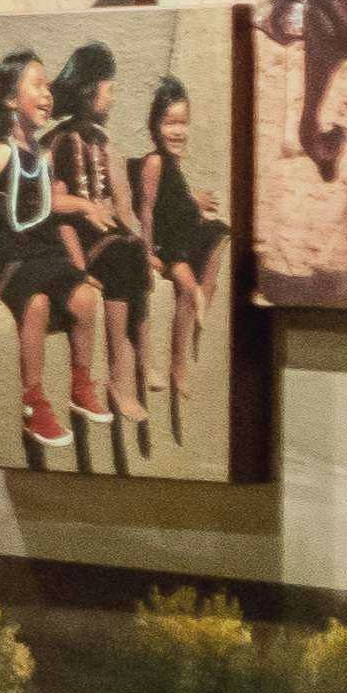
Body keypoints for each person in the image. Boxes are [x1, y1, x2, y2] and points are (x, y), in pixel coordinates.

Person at [0, 49, 87, 465]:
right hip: (7, 256)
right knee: (35, 302)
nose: (47, 93)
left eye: (49, 86)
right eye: (37, 84)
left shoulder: (43, 157)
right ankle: (34, 401)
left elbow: (52, 210)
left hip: (40, 250)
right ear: (9, 100)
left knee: (86, 298)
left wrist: (79, 263)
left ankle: (82, 384)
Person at [47, 38, 150, 475]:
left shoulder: (103, 140)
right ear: (90, 90)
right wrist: (78, 262)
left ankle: (136, 366)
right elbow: (56, 206)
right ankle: (117, 380)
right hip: (78, 239)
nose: (112, 95)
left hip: (108, 234)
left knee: (134, 252)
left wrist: (138, 230)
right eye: (109, 87)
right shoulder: (58, 141)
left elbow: (120, 197)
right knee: (123, 257)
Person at [142, 68, 230, 446]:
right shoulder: (154, 162)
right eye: (170, 122)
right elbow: (147, 208)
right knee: (184, 278)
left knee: (217, 231)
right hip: (166, 244)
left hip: (181, 233)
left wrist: (193, 199)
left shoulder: (173, 165)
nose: (177, 131)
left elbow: (173, 196)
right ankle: (196, 298)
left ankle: (196, 309)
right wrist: (146, 251)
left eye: (183, 123)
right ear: (155, 125)